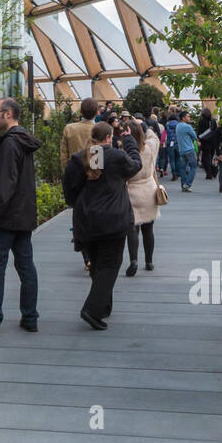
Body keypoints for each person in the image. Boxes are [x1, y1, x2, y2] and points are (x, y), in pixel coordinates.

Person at [63, 122, 140, 330]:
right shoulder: (116, 156)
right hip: (112, 221)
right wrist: (130, 140)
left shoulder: (80, 159)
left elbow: (69, 193)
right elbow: (136, 165)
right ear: (109, 138)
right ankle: (92, 309)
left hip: (86, 221)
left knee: (98, 265)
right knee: (110, 266)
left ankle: (104, 306)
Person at [0, 97, 42, 334]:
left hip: (5, 218)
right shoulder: (23, 141)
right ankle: (30, 318)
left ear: (7, 114)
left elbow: (4, 182)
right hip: (23, 216)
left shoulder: (9, 144)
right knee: (26, 267)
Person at [124, 119, 160, 274]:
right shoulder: (150, 148)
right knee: (148, 229)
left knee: (133, 228)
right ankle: (149, 261)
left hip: (132, 191)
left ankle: (133, 260)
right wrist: (144, 125)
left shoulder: (125, 153)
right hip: (149, 190)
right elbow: (155, 138)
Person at [175, 109, 200, 191]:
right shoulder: (187, 127)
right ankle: (188, 184)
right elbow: (194, 136)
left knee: (182, 168)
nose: (189, 118)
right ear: (183, 118)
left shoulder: (178, 126)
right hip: (189, 149)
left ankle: (183, 185)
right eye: (188, 116)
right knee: (193, 166)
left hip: (181, 149)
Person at [197, 107, 219, 179]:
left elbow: (199, 132)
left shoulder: (201, 121)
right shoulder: (213, 121)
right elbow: (216, 131)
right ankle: (214, 171)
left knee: (205, 158)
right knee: (212, 157)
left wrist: (199, 140)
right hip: (213, 142)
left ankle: (209, 173)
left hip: (204, 142)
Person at [164, 106, 181, 181]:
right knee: (178, 159)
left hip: (170, 143)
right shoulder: (179, 124)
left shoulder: (167, 124)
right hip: (177, 143)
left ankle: (173, 173)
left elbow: (165, 133)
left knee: (172, 160)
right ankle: (177, 173)